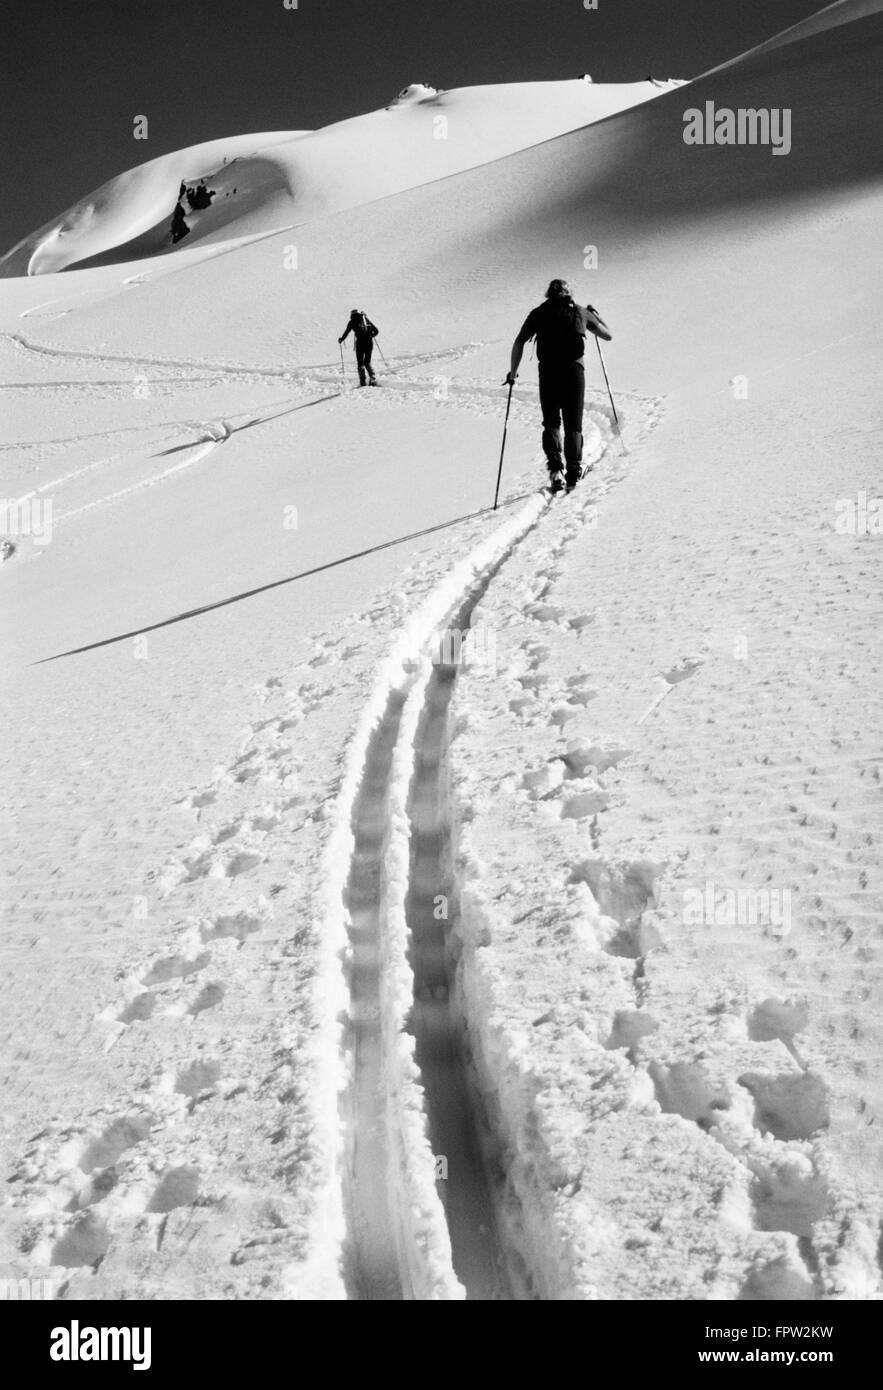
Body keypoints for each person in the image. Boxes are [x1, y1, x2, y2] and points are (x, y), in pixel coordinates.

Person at [507, 278, 611, 492]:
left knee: (552, 421)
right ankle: (574, 469)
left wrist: (513, 372)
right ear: (568, 293)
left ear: (548, 294)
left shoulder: (538, 313)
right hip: (574, 371)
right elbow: (607, 336)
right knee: (573, 423)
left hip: (548, 372)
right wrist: (597, 316)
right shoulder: (580, 312)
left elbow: (519, 341)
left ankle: (556, 470)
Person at [339, 309, 379, 386]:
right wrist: (371, 335)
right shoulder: (364, 319)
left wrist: (341, 339)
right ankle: (373, 378)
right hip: (369, 343)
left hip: (360, 344)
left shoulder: (351, 322)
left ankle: (363, 382)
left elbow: (347, 332)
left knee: (360, 363)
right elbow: (376, 331)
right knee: (367, 362)